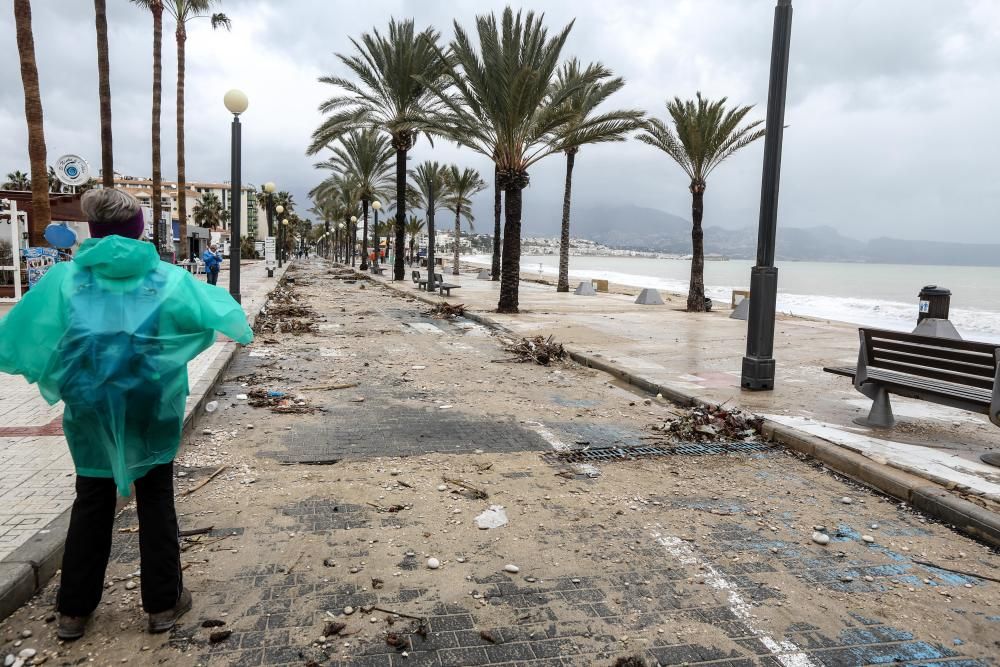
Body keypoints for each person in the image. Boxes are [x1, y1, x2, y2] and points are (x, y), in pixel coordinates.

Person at [0, 189, 252, 641]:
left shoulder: (62, 280)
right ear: (139, 230)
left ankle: (74, 612)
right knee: (156, 499)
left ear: (92, 231)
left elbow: (16, 341)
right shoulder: (169, 279)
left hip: (91, 412)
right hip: (151, 409)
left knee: (92, 500)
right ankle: (162, 604)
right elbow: (232, 319)